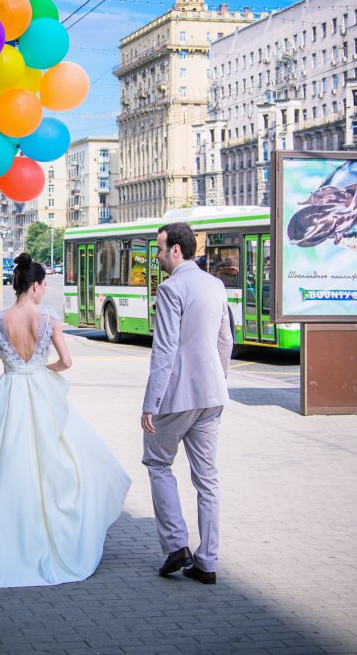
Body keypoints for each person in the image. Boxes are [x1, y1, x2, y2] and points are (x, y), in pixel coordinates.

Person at [0, 253, 130, 588]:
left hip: (8, 394)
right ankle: (50, 534)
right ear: (34, 286)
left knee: (0, 467)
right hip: (40, 393)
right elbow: (66, 361)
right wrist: (43, 369)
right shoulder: (48, 319)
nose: (43, 291)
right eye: (43, 285)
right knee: (56, 462)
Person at [141, 223, 233, 585]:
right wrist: (218, 377)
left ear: (176, 250)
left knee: (158, 462)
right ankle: (207, 563)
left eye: (161, 249)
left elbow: (164, 349)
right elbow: (225, 340)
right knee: (207, 479)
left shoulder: (170, 288)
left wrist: (150, 403)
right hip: (212, 394)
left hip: (177, 396)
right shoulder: (216, 285)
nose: (159, 256)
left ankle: (177, 545)